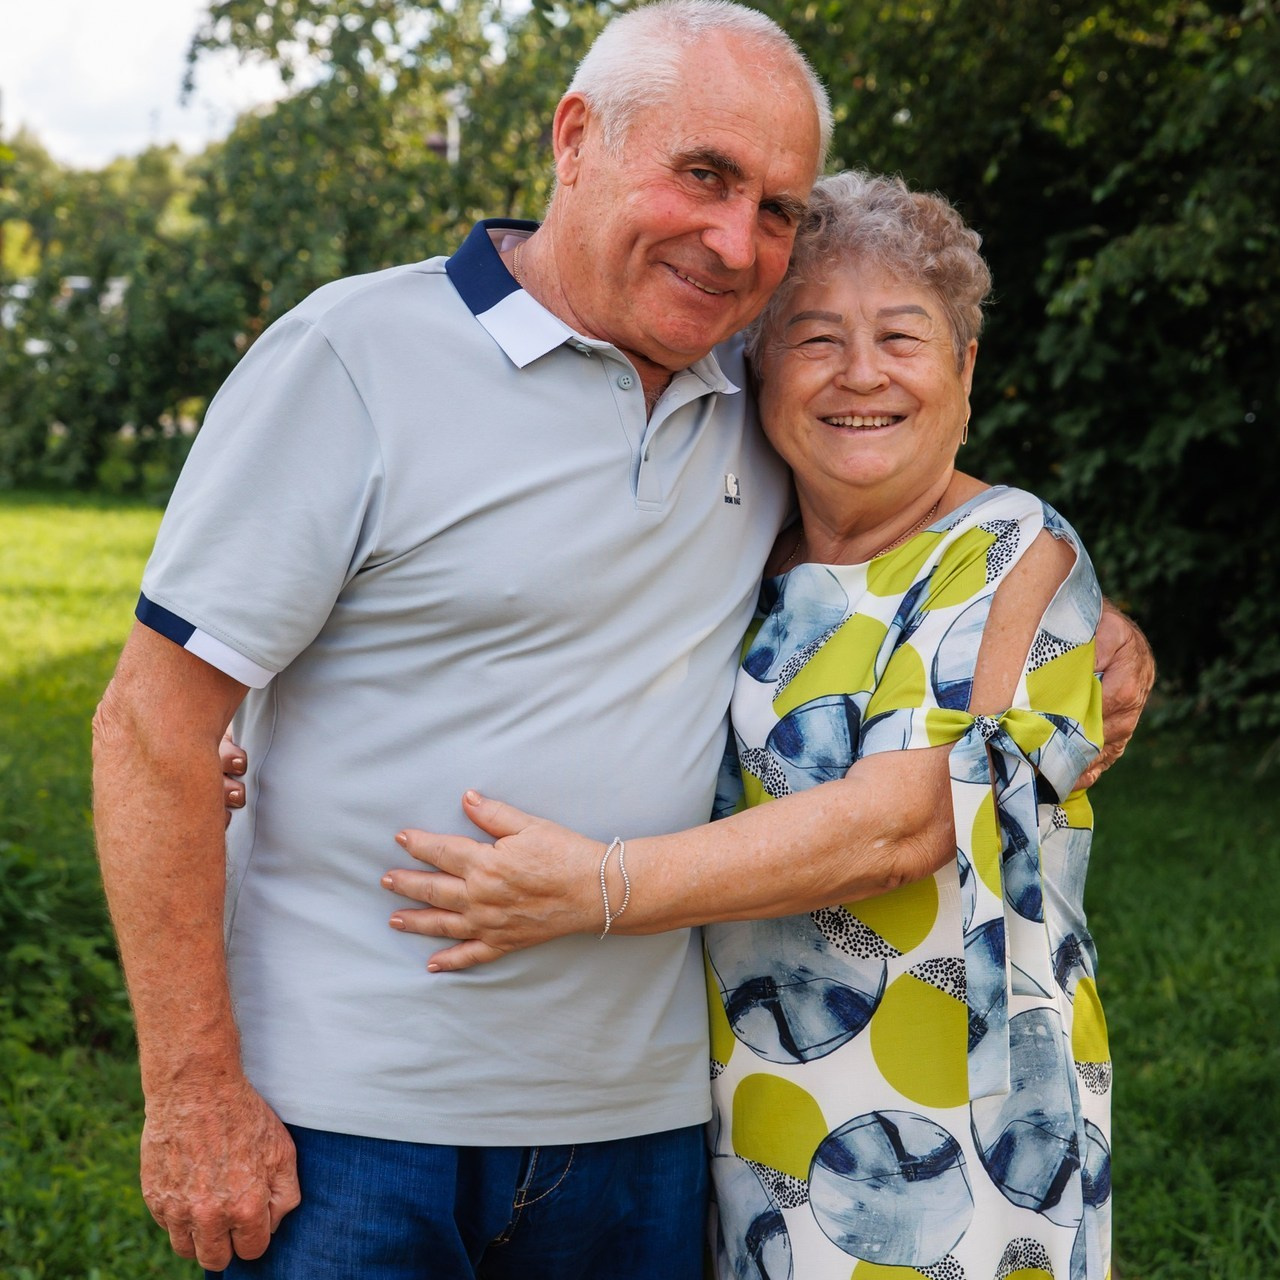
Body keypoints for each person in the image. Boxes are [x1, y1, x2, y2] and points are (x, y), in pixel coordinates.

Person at [95, 3, 1149, 1276]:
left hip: (649, 1133)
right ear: (574, 137)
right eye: (702, 174)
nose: (733, 240)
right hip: (350, 1119)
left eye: (773, 207)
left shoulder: (740, 394)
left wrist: (1075, 611)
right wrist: (194, 1086)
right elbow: (151, 723)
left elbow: (904, 478)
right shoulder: (354, 353)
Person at [381, 172, 1123, 1278]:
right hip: (756, 1107)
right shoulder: (748, 549)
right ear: (758, 371)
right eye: (815, 338)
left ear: (965, 370)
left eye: (901, 337)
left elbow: (900, 823)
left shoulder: (1016, 551)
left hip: (957, 1132)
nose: (860, 372)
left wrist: (596, 885)